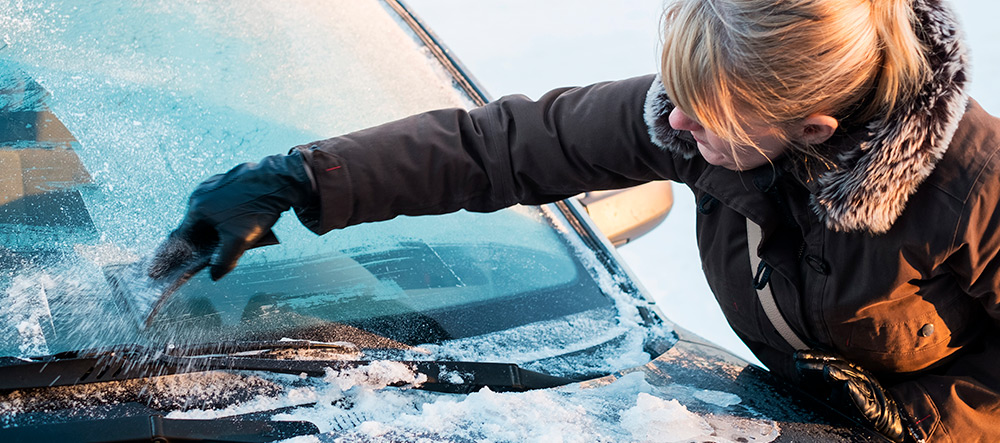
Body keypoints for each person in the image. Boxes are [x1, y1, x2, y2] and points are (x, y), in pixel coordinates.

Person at [147, 0, 998, 441]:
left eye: (705, 117)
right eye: (677, 95)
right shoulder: (700, 119)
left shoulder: (973, 190)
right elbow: (503, 146)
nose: (671, 129)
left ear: (811, 130)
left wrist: (923, 418)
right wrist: (297, 177)